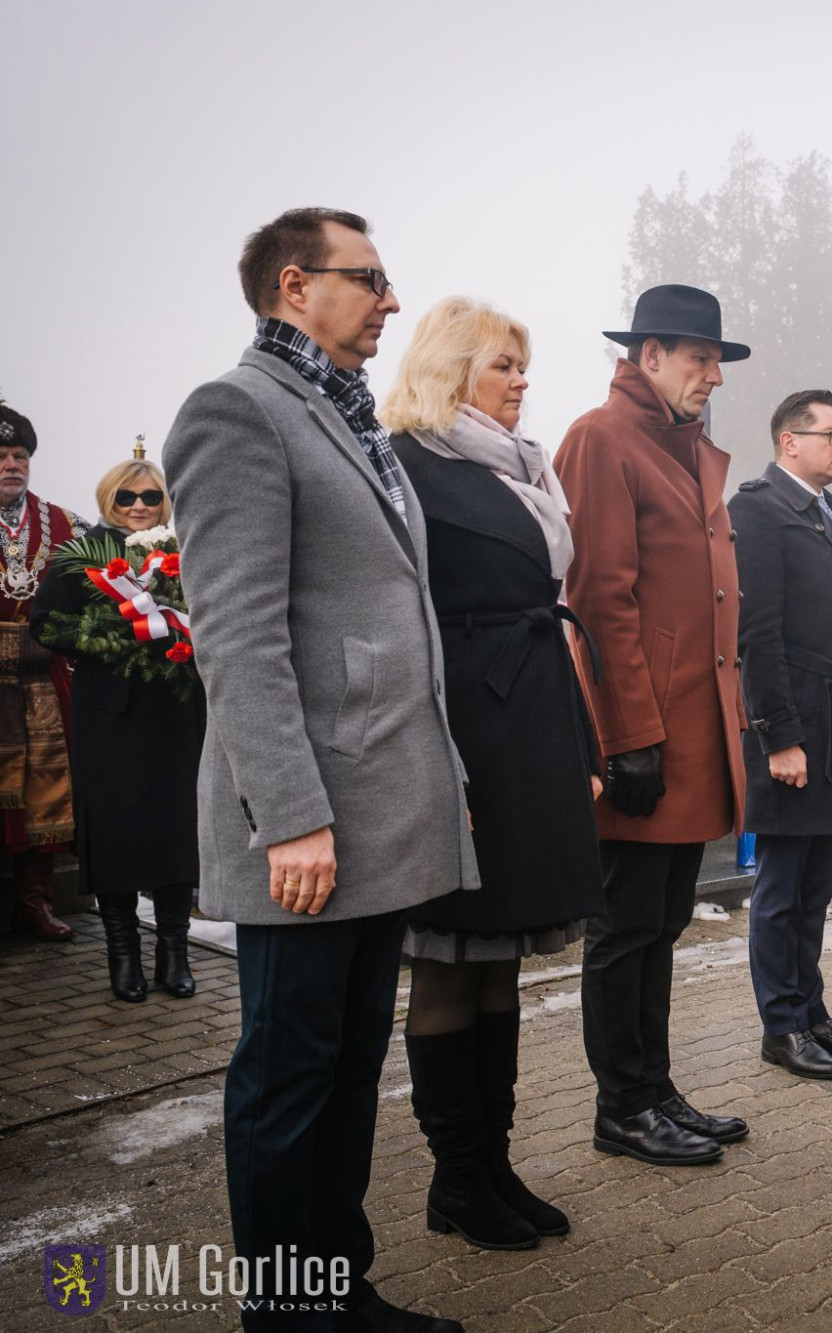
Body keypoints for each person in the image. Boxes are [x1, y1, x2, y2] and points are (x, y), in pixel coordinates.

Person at [163, 207, 474, 1333]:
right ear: (295, 285)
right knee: (288, 1074)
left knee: (346, 1066)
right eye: (370, 278)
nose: (392, 300)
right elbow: (238, 636)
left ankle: (341, 1289)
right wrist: (290, 816)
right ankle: (286, 1313)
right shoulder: (236, 411)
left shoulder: (347, 413)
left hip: (376, 811)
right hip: (309, 825)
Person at [379, 297, 607, 1251]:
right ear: (450, 370)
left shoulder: (522, 468)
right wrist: (434, 761)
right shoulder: (407, 464)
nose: (521, 381)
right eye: (502, 365)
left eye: (522, 364)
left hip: (530, 723)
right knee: (448, 959)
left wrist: (580, 745)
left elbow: (544, 610)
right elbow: (401, 622)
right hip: (464, 729)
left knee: (500, 961)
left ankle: (495, 1165)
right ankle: (456, 1178)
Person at [557, 284, 751, 1168]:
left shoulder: (684, 446)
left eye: (717, 359)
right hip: (646, 732)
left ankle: (655, 1086)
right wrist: (625, 735)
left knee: (665, 918)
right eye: (700, 358)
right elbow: (601, 598)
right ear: (649, 356)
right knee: (628, 925)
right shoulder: (603, 438)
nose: (714, 375)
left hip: (693, 731)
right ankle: (622, 1106)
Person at [730, 389, 832, 1081]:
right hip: (797, 726)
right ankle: (782, 1026)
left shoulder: (830, 513)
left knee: (816, 886)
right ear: (790, 441)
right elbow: (757, 637)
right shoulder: (758, 511)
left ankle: (812, 1012)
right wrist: (778, 737)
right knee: (782, 889)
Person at [29, 457, 203, 1002]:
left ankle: (174, 951)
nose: (138, 506)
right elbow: (46, 623)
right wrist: (110, 636)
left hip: (176, 709)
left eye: (150, 496)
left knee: (178, 825)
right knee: (116, 829)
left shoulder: (183, 547)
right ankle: (123, 953)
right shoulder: (82, 554)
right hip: (110, 714)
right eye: (127, 497)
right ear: (109, 499)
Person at [0, 398, 83, 942]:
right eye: (1, 455)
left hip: (43, 682)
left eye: (20, 455)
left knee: (45, 795)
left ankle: (35, 903)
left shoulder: (64, 523)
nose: (12, 465)